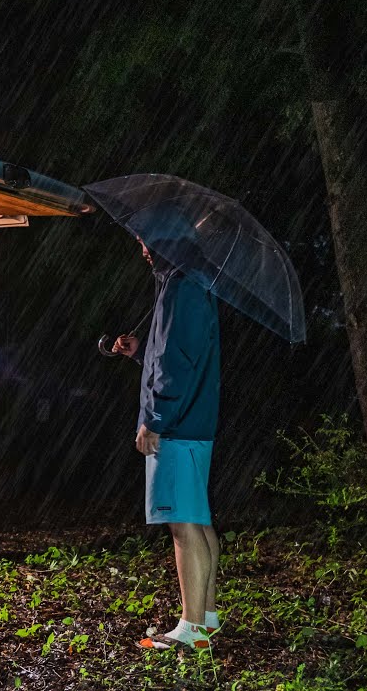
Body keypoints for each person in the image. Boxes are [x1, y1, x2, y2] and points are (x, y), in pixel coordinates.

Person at [113, 236, 222, 652]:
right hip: (193, 419)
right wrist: (141, 351)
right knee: (197, 520)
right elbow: (174, 354)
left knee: (181, 525)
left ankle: (191, 629)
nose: (141, 245)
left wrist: (154, 419)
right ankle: (206, 618)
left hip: (178, 424)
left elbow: (176, 363)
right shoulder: (186, 282)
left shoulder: (183, 286)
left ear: (169, 237)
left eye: (146, 237)